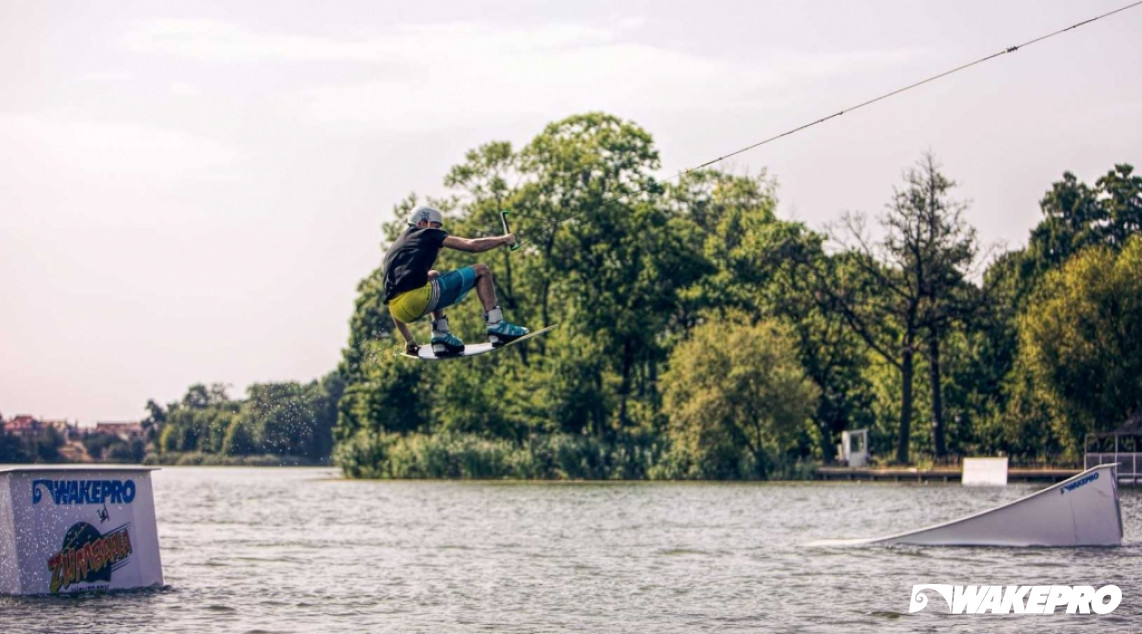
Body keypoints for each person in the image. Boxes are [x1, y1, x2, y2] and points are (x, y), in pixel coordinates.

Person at [383, 206, 528, 356]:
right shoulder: (426, 233)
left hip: (399, 311)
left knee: (433, 275)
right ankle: (497, 326)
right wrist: (504, 239)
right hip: (417, 300)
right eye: (436, 226)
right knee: (482, 270)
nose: (438, 231)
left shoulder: (395, 248)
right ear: (422, 222)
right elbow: (471, 245)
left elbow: (390, 298)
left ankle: (441, 338)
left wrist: (410, 341)